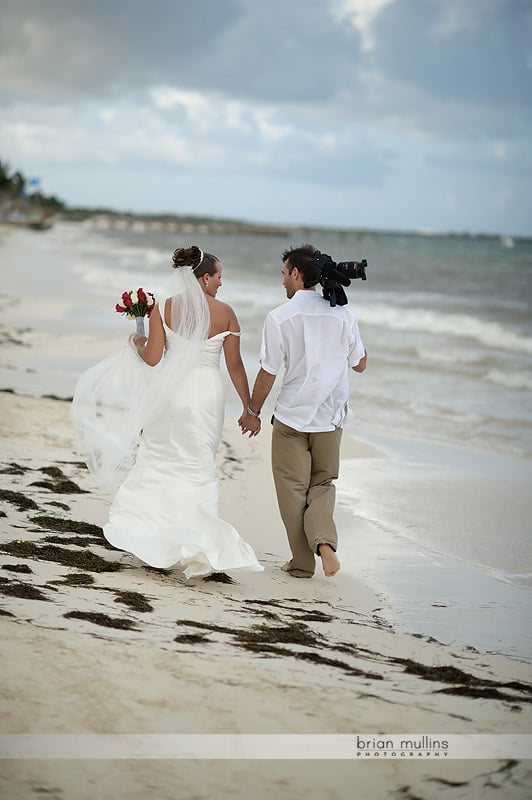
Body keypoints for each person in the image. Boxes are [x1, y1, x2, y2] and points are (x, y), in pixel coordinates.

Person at [73, 246, 263, 580]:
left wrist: (136, 341)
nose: (221, 282)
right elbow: (234, 365)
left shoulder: (165, 306)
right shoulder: (226, 312)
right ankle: (197, 545)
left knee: (159, 460)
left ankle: (152, 541)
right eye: (218, 276)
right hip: (205, 394)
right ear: (204, 278)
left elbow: (153, 358)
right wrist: (250, 409)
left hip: (169, 394)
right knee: (197, 464)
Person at [240, 244, 366, 579]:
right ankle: (325, 545)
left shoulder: (280, 317)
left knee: (292, 491)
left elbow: (268, 371)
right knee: (323, 484)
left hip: (293, 417)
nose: (282, 280)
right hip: (330, 417)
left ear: (297, 274)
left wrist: (253, 411)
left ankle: (302, 562)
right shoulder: (344, 313)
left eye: (284, 273)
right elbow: (360, 364)